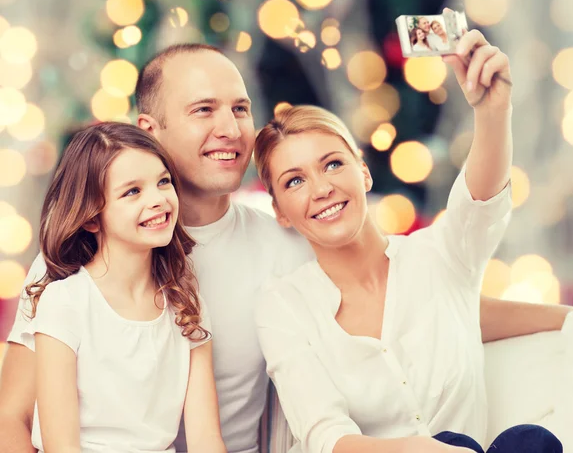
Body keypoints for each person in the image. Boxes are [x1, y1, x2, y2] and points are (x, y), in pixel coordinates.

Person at [1, 42, 571, 453]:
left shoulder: (286, 240)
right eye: (204, 110)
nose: (230, 127)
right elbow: (9, 422)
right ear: (150, 130)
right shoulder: (74, 262)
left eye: (240, 108)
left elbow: (422, 304)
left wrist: (562, 320)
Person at [253, 30, 564, 453]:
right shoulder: (283, 306)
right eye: (294, 181)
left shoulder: (439, 256)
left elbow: (480, 202)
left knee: (529, 443)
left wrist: (493, 111)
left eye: (332, 164)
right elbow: (326, 435)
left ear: (363, 173)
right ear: (281, 212)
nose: (321, 188)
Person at [20, 122, 224, 453]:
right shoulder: (65, 302)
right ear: (91, 218)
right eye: (132, 191)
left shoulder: (186, 302)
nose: (158, 199)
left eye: (163, 182)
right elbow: (62, 447)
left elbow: (206, 440)